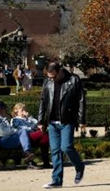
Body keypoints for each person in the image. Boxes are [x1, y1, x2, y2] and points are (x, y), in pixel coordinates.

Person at [37, 59, 86, 189]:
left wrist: (81, 120)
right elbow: (43, 101)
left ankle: (79, 167)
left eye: (53, 76)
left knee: (66, 147)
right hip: (52, 122)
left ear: (59, 72)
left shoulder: (74, 80)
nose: (51, 79)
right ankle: (57, 180)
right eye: (49, 76)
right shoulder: (47, 81)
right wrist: (41, 121)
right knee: (55, 150)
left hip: (67, 120)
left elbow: (81, 99)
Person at [0, 100, 35, 167]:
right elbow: (3, 132)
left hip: (5, 139)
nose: (6, 110)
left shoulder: (2, 119)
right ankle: (28, 155)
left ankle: (28, 156)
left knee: (23, 136)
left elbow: (8, 131)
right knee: (23, 135)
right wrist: (16, 131)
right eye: (5, 108)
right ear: (0, 110)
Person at [12, 102, 50, 168]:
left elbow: (36, 123)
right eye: (22, 110)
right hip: (24, 137)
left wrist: (29, 117)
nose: (25, 112)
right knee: (42, 133)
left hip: (32, 136)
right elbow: (19, 128)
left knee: (44, 139)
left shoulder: (28, 119)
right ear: (16, 111)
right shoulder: (15, 120)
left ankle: (46, 161)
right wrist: (31, 128)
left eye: (25, 110)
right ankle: (44, 159)